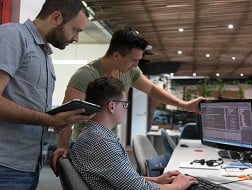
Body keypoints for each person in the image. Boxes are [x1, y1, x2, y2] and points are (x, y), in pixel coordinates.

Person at [50, 28, 205, 173]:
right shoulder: (85, 75)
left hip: (112, 144)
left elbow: (151, 89)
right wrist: (63, 146)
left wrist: (184, 105)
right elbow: (67, 115)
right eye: (133, 60)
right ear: (116, 55)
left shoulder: (130, 71)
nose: (136, 65)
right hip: (91, 147)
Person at [0, 0, 94, 189]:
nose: (76, 38)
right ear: (56, 17)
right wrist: (50, 120)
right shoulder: (13, 36)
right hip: (5, 166)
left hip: (28, 166)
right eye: (75, 30)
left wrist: (60, 119)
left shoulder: (44, 55)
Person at [70, 76, 199, 190]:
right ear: (112, 107)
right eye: (125, 105)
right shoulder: (101, 143)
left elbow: (125, 180)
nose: (126, 109)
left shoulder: (94, 134)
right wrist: (177, 186)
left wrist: (157, 180)